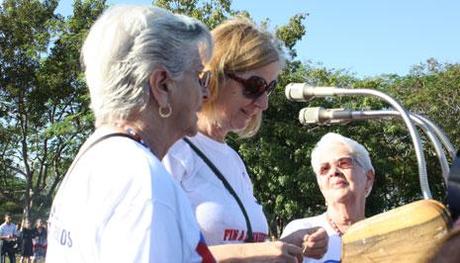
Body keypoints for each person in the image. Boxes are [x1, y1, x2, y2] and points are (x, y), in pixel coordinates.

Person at [46, 5, 216, 262]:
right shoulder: (143, 182)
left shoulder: (99, 155)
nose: (205, 93)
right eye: (198, 76)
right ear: (162, 85)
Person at [163, 17, 328, 262]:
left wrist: (286, 246)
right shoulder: (171, 150)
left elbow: (244, 249)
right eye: (254, 86)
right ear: (216, 75)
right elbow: (159, 253)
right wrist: (253, 253)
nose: (263, 103)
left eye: (269, 88)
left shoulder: (233, 159)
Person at [281, 132, 375, 262]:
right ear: (320, 185)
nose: (334, 172)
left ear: (368, 178)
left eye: (344, 163)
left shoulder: (384, 233)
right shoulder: (301, 233)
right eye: (324, 169)